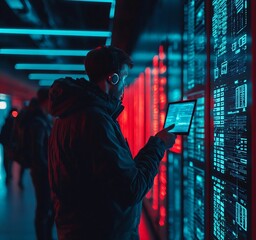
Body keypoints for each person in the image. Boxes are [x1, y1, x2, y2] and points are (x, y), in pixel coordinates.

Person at [48, 45, 176, 240]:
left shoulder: (67, 117)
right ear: (112, 78)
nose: (124, 86)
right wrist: (158, 145)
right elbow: (131, 188)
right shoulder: (94, 122)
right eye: (123, 78)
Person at [27, 88, 54, 240]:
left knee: (46, 207)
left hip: (41, 170)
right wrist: (49, 170)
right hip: (42, 172)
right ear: (46, 100)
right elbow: (38, 150)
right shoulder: (39, 122)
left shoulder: (42, 119)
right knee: (44, 208)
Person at [0, 107, 18, 185]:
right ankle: (8, 174)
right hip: (8, 144)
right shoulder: (9, 122)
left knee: (9, 160)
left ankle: (9, 174)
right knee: (8, 160)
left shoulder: (15, 122)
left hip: (10, 144)